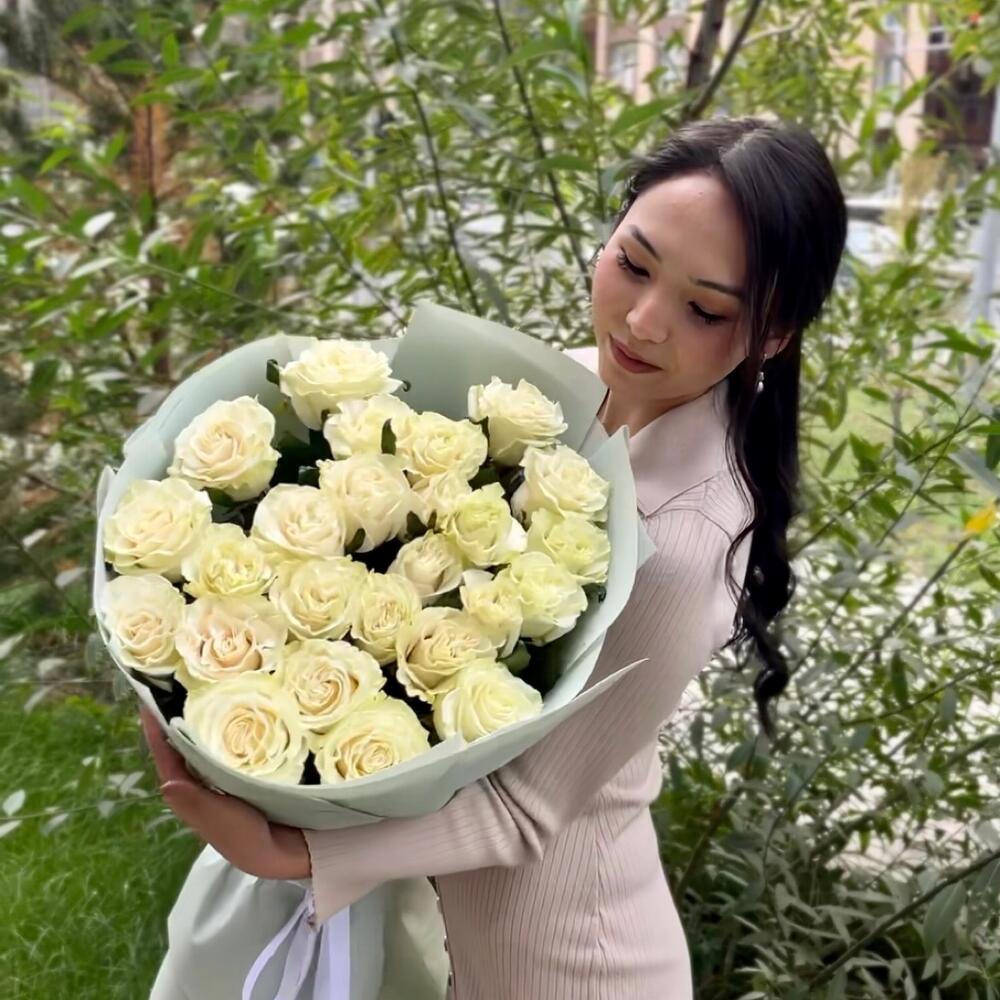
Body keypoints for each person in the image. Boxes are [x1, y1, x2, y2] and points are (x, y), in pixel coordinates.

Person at [142, 115, 847, 999]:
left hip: (557, 959)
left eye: (704, 310)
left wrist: (297, 851)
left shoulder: (685, 539)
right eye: (634, 264)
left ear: (772, 337)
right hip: (427, 918)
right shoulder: (537, 394)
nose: (642, 321)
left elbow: (526, 808)